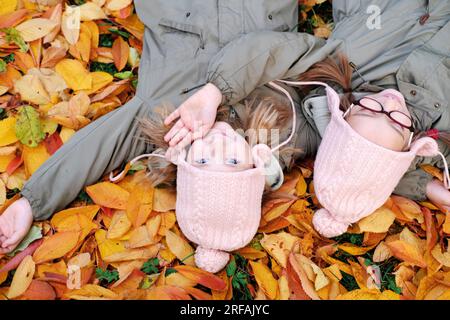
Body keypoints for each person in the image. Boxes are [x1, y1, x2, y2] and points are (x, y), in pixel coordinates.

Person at [1, 0, 449, 252]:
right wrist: (428, 189)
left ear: (182, 156)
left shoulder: (168, 120)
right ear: (257, 165)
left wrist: (31, 202)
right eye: (231, 159)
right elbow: (354, 154)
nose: (216, 142)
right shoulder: (287, 132)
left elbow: (99, 146)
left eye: (203, 158)